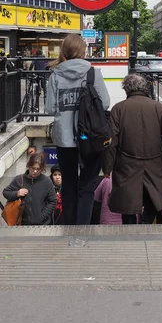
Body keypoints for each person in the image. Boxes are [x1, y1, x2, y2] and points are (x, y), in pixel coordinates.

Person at [45, 34, 110, 225]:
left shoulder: (55, 75)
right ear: (83, 51)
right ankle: (83, 227)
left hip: (64, 138)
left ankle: (69, 226)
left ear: (64, 51)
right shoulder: (92, 73)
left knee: (69, 184)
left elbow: (50, 108)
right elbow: (105, 103)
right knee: (88, 185)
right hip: (90, 136)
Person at [103, 74, 162, 225]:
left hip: (126, 165)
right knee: (153, 197)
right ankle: (146, 224)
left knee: (127, 203)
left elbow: (111, 142)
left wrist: (107, 168)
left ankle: (130, 231)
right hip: (155, 163)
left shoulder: (118, 109)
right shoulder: (158, 108)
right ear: (145, 88)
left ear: (126, 89)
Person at [2, 153, 57, 225]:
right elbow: (5, 192)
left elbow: (53, 201)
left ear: (42, 169)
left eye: (38, 169)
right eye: (33, 168)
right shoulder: (19, 179)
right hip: (23, 224)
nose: (35, 171)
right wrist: (17, 193)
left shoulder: (46, 181)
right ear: (28, 166)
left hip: (43, 224)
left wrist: (41, 217)